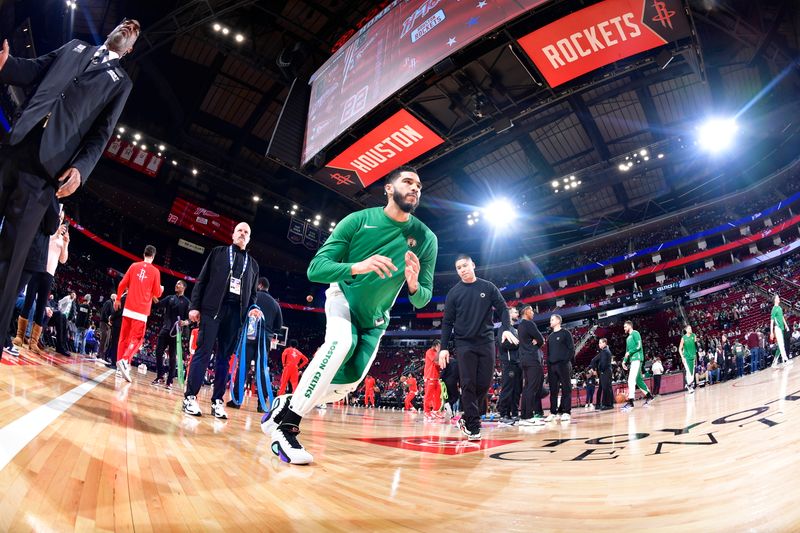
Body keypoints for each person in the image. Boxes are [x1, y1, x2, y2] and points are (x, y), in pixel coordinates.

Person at [261, 166, 436, 465]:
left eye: (419, 185)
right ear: (388, 188)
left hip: (377, 318)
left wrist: (413, 283)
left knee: (349, 383)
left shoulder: (426, 238)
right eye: (407, 182)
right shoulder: (358, 221)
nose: (415, 188)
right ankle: (286, 426)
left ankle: (288, 402)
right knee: (340, 343)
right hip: (343, 297)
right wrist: (357, 266)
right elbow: (316, 269)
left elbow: (423, 299)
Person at [0, 19, 140, 343]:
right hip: (18, 141)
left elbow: (101, 135)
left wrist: (81, 169)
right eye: (125, 23)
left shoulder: (121, 83)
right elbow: (35, 68)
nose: (127, 27)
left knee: (12, 252)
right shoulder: (75, 46)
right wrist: (7, 65)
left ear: (130, 47)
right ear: (112, 31)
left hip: (47, 167)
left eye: (133, 30)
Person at [183, 223, 262, 419]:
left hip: (235, 316)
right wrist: (194, 306)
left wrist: (252, 310)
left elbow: (253, 295)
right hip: (212, 311)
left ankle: (217, 401)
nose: (242, 234)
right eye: (240, 231)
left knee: (224, 359)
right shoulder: (218, 253)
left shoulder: (253, 265)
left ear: (249, 239)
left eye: (246, 232)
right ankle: (190, 397)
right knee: (203, 352)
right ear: (233, 234)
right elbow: (202, 280)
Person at [438, 254, 514, 440]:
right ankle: (473, 426)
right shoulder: (454, 293)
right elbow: (447, 323)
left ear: (473, 265)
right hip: (464, 343)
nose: (462, 270)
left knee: (484, 383)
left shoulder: (488, 287)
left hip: (486, 341)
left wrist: (506, 328)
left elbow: (503, 309)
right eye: (458, 268)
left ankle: (466, 417)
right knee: (468, 383)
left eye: (465, 265)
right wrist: (444, 347)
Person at [12, 207, 67, 356]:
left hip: (49, 274)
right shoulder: (48, 232)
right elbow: (44, 244)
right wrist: (55, 233)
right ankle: (20, 335)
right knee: (29, 301)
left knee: (41, 305)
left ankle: (34, 342)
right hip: (38, 268)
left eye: (61, 219)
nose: (60, 220)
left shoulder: (62, 239)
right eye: (58, 218)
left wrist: (66, 244)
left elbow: (63, 259)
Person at [230, 276, 283, 411]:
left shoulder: (251, 297)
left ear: (259, 285)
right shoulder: (275, 304)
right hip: (265, 339)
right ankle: (262, 404)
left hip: (249, 336)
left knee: (243, 367)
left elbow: (241, 315)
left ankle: (236, 400)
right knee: (261, 370)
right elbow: (279, 325)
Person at [114, 245, 163, 382]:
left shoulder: (134, 266)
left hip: (128, 308)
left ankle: (119, 368)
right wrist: (161, 289)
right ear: (153, 256)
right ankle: (125, 360)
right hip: (141, 311)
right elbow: (157, 293)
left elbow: (122, 284)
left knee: (123, 338)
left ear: (144, 254)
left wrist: (118, 299)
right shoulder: (155, 271)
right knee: (137, 339)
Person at [151, 280, 190, 389]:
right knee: (158, 352)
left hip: (176, 333)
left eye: (179, 284)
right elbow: (158, 304)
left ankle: (170, 381)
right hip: (165, 329)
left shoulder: (187, 302)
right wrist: (151, 294)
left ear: (184, 287)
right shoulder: (170, 298)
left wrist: (184, 322)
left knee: (172, 357)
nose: (176, 285)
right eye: (176, 283)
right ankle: (160, 376)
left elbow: (190, 319)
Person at [517, 305, 546, 426]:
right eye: (531, 310)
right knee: (532, 387)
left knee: (527, 387)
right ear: (525, 311)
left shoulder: (520, 325)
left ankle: (524, 416)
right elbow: (541, 340)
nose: (533, 313)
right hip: (532, 359)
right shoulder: (529, 324)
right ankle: (528, 416)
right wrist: (536, 344)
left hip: (524, 359)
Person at [545, 314, 574, 422]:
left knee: (566, 388)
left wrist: (565, 361)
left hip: (563, 365)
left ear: (558, 321)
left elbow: (571, 349)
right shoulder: (550, 336)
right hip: (552, 366)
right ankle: (553, 412)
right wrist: (549, 366)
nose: (550, 321)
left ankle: (566, 412)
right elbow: (548, 353)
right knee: (553, 390)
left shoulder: (566, 333)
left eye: (552, 319)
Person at [620, 320, 654, 412]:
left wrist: (629, 353)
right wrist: (624, 362)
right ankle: (649, 396)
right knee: (638, 380)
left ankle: (631, 402)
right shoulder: (627, 339)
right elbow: (627, 352)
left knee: (631, 379)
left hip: (637, 358)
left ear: (630, 326)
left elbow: (639, 346)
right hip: (633, 360)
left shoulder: (635, 333)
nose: (624, 328)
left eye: (625, 327)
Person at [497, 307, 522, 424]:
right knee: (508, 388)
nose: (517, 314)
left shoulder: (515, 330)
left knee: (517, 389)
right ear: (508, 314)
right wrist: (518, 343)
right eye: (515, 312)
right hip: (508, 363)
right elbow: (503, 345)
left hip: (517, 363)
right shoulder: (503, 328)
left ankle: (514, 412)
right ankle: (503, 414)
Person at [590, 338, 614, 410]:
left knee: (606, 388)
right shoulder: (605, 351)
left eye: (600, 343)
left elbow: (603, 364)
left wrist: (600, 370)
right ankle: (608, 404)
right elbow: (594, 360)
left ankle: (607, 404)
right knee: (607, 388)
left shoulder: (605, 351)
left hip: (605, 371)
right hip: (607, 371)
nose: (599, 344)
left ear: (604, 343)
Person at [423, 340, 442, 419]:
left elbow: (439, 363)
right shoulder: (429, 351)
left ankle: (436, 411)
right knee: (428, 396)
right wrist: (438, 352)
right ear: (436, 345)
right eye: (439, 345)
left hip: (437, 377)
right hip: (430, 376)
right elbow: (435, 361)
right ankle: (427, 412)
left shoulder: (437, 352)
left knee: (438, 396)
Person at [770, 294, 790, 368]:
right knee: (782, 345)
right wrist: (771, 332)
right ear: (775, 299)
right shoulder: (774, 309)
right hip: (777, 328)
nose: (779, 298)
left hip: (781, 329)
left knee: (780, 346)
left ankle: (774, 363)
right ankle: (785, 360)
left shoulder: (780, 308)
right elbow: (772, 321)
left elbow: (782, 317)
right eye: (778, 297)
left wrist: (786, 325)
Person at [678, 324, 698, 393]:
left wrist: (696, 354)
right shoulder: (683, 338)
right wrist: (682, 357)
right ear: (686, 330)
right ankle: (689, 386)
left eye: (691, 328)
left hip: (693, 357)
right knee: (688, 371)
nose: (691, 329)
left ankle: (689, 385)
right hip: (686, 357)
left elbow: (696, 346)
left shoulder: (694, 335)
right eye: (689, 328)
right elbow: (679, 349)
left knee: (692, 372)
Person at [98, 293, 116, 362]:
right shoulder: (108, 302)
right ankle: (100, 355)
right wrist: (107, 321)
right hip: (104, 323)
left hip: (106, 323)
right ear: (113, 297)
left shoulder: (111, 303)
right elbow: (104, 312)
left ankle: (101, 355)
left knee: (106, 340)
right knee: (104, 339)